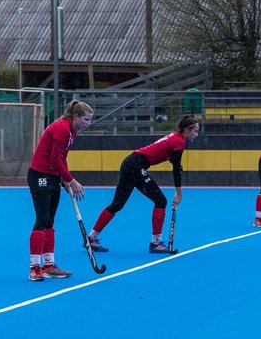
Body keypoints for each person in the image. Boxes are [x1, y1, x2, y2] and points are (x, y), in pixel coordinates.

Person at [86, 115, 201, 254]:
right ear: (187, 130)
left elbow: (169, 157)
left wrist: (175, 164)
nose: (197, 134)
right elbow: (176, 170)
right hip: (136, 165)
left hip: (130, 163)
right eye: (195, 131)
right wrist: (179, 194)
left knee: (117, 204)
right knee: (160, 200)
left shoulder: (175, 136)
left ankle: (91, 238)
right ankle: (156, 243)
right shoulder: (179, 141)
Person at [26, 100, 93, 281]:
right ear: (76, 116)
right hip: (40, 174)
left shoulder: (72, 131)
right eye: (86, 120)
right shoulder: (62, 128)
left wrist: (64, 178)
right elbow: (55, 159)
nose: (88, 124)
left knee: (49, 221)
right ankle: (34, 268)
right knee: (41, 220)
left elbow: (62, 158)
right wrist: (72, 181)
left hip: (53, 175)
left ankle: (49, 265)